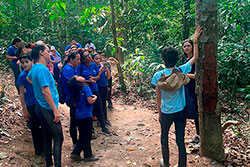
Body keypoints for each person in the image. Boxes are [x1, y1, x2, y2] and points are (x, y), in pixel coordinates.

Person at [151, 26, 201, 167]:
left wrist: (159, 112)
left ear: (163, 59)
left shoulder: (158, 76)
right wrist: (195, 39)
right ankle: (181, 165)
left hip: (166, 112)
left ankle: (165, 163)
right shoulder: (181, 70)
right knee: (180, 140)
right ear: (176, 58)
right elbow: (196, 57)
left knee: (164, 138)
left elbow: (158, 96)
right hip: (180, 112)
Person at [27, 44, 64, 167]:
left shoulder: (35, 68)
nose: (50, 53)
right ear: (41, 53)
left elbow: (29, 78)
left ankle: (49, 164)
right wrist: (55, 111)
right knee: (58, 138)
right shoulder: (42, 69)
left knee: (48, 137)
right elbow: (45, 91)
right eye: (48, 51)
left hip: (40, 107)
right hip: (47, 108)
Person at [76, 51, 111, 136]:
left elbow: (98, 76)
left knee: (99, 108)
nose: (89, 57)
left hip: (95, 89)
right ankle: (90, 130)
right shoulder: (80, 67)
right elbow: (77, 78)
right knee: (89, 109)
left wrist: (95, 78)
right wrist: (88, 81)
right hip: (86, 90)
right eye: (86, 56)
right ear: (83, 60)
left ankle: (103, 127)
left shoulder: (93, 65)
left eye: (89, 55)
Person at [17, 52, 44, 156]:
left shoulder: (37, 72)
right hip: (31, 104)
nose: (24, 65)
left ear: (32, 61)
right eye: (22, 63)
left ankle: (45, 148)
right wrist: (24, 109)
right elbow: (22, 93)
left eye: (27, 62)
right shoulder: (22, 76)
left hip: (41, 102)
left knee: (44, 126)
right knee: (35, 127)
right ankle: (38, 150)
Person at [68, 76, 99, 162]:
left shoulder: (75, 90)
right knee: (87, 135)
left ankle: (84, 154)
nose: (79, 76)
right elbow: (90, 101)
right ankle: (84, 154)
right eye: (77, 77)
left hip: (79, 115)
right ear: (77, 81)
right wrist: (95, 97)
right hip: (86, 114)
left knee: (83, 135)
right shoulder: (85, 88)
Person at [61, 51, 85, 150]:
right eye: (77, 59)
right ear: (71, 59)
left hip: (76, 97)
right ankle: (75, 142)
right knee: (74, 120)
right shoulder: (67, 69)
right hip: (71, 97)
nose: (79, 61)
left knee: (77, 119)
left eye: (79, 59)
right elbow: (72, 84)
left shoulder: (73, 68)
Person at [182, 39, 200, 146]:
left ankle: (200, 137)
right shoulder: (186, 60)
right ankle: (197, 136)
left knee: (197, 113)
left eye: (188, 46)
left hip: (194, 89)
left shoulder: (195, 61)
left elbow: (197, 75)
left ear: (193, 47)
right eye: (184, 46)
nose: (186, 48)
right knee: (193, 113)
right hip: (187, 89)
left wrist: (185, 75)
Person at [92, 53, 111, 126]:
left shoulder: (102, 66)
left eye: (99, 59)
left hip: (104, 86)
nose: (98, 60)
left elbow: (108, 77)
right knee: (99, 104)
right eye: (96, 59)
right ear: (93, 60)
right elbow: (95, 77)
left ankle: (105, 119)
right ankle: (100, 120)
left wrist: (107, 70)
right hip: (97, 87)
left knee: (104, 103)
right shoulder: (93, 68)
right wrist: (100, 71)